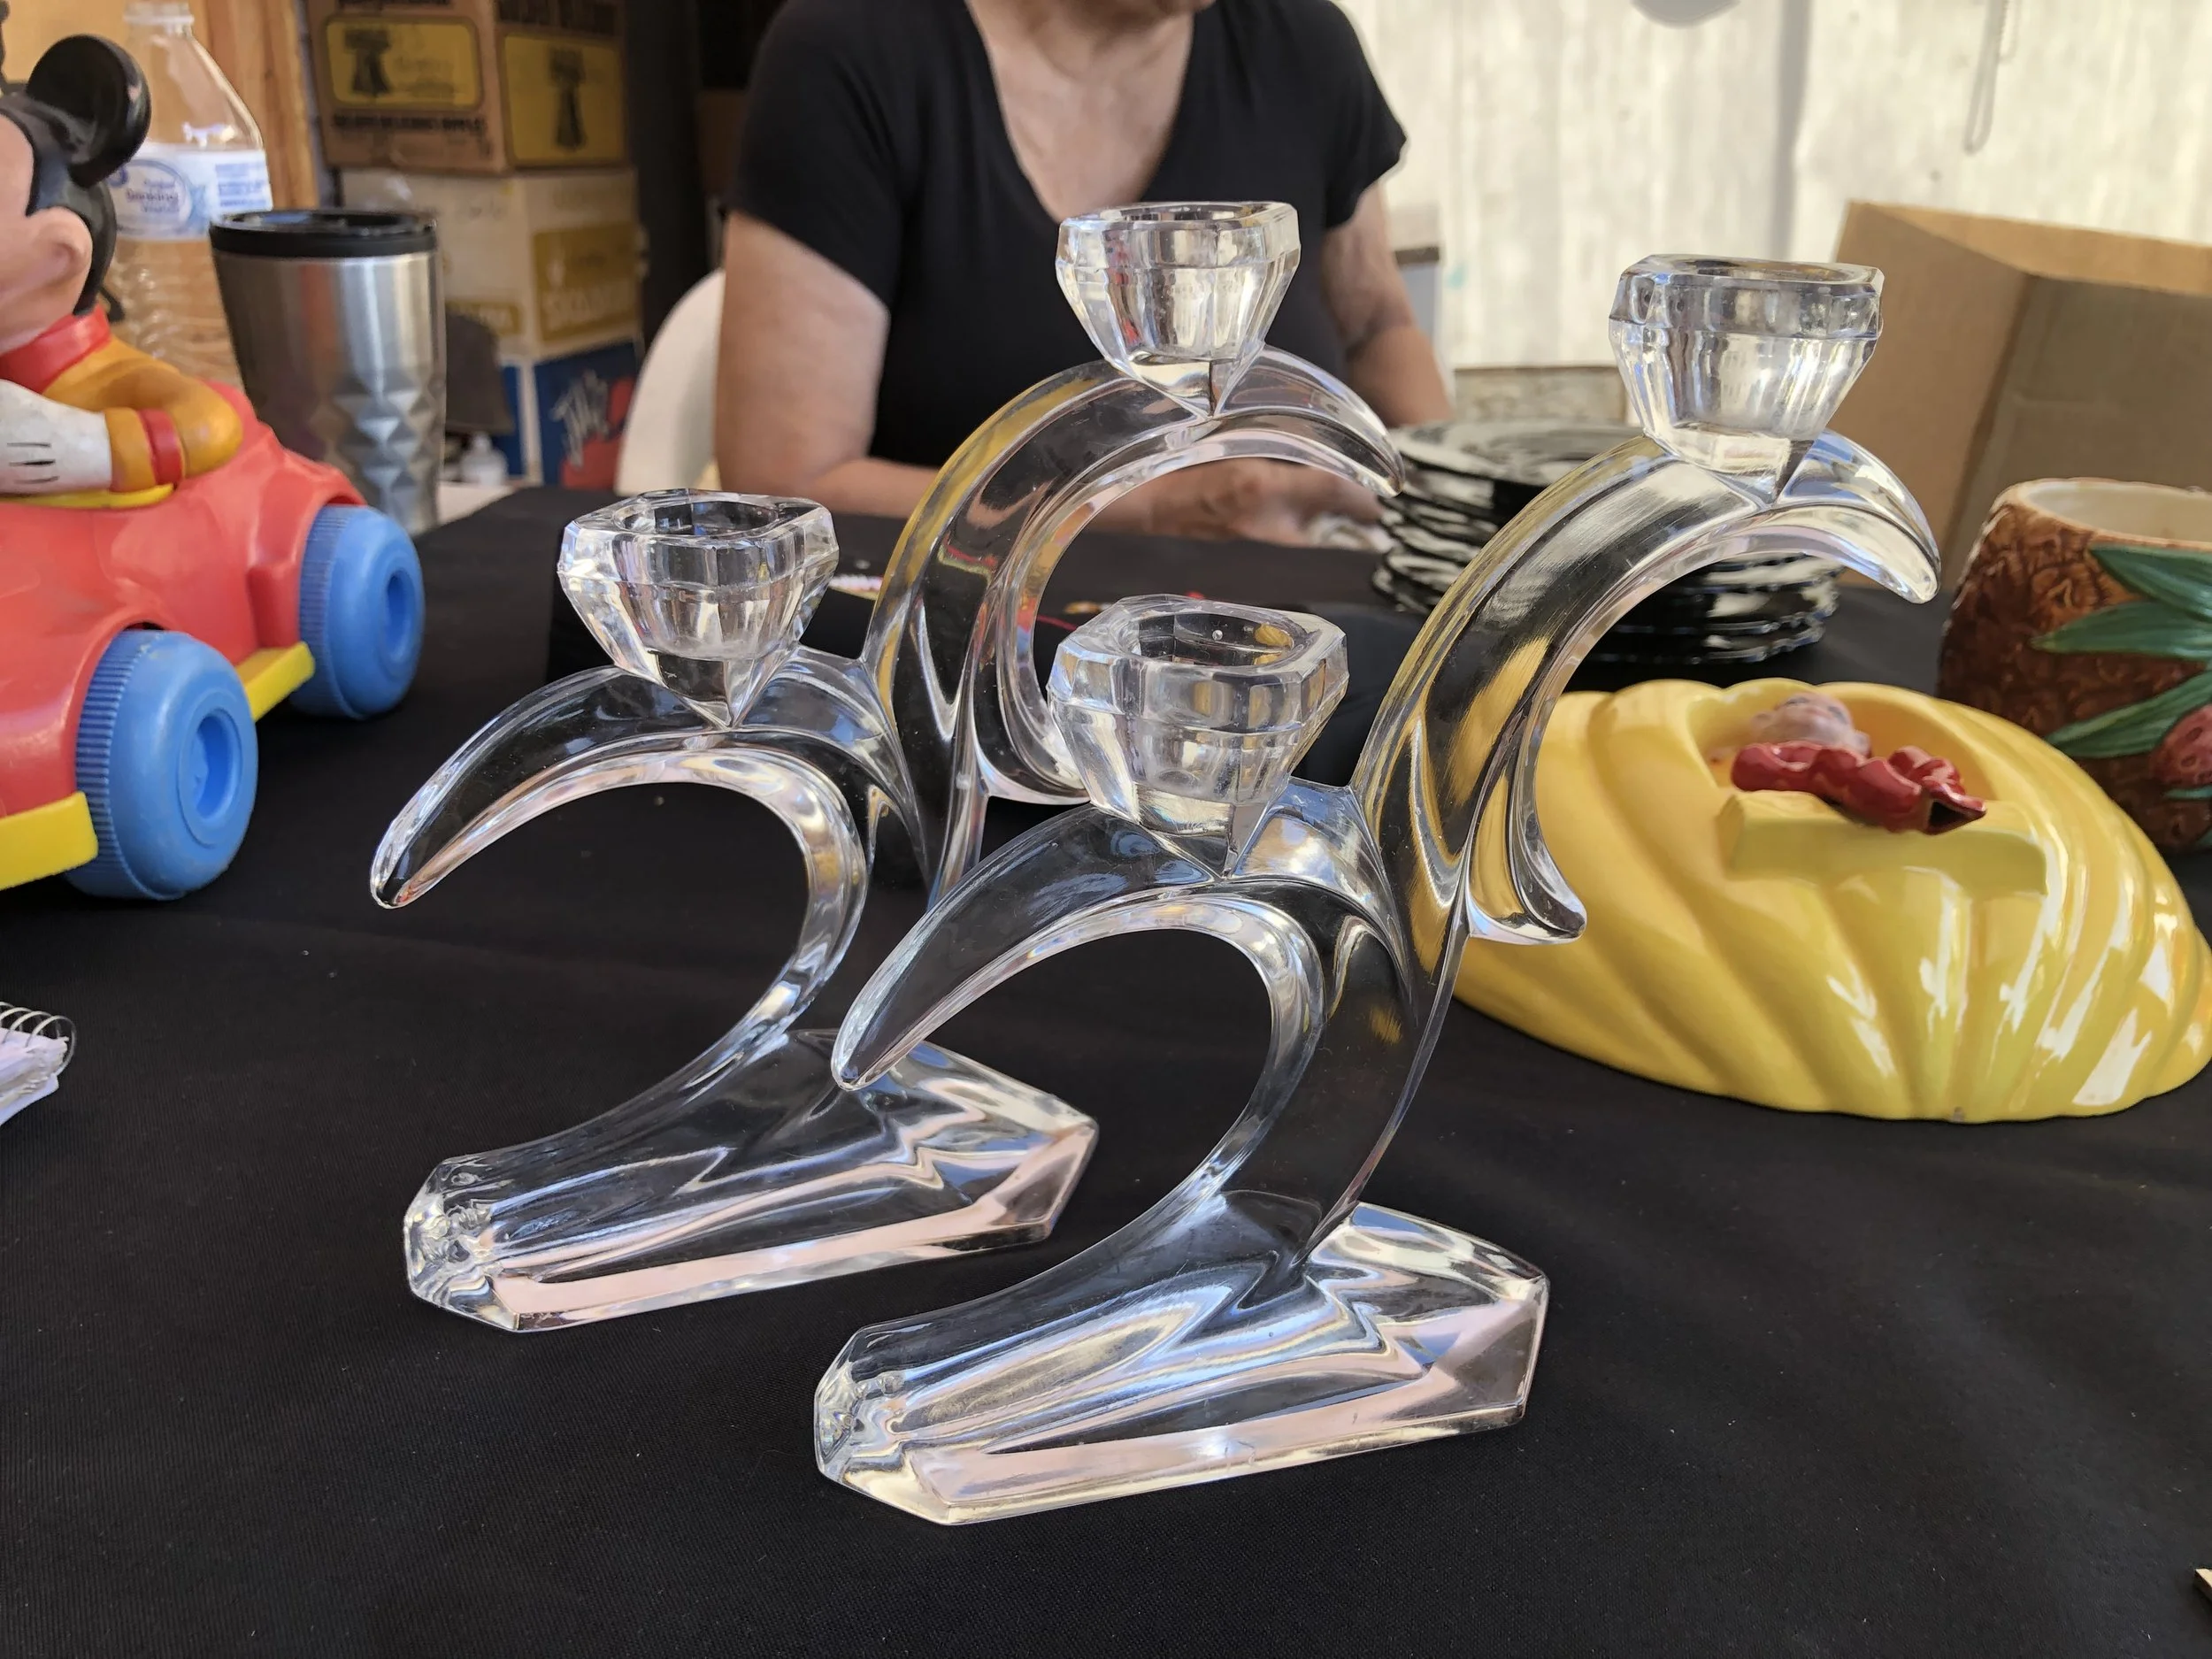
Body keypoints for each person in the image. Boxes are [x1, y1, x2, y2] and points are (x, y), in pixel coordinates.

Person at [715, 0, 1452, 544]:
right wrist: (1154, 510)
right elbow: (788, 487)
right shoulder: (848, 53)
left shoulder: (1306, 47)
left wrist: (1453, 516)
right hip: (980, 636)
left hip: (1292, 632)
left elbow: (1376, 327)